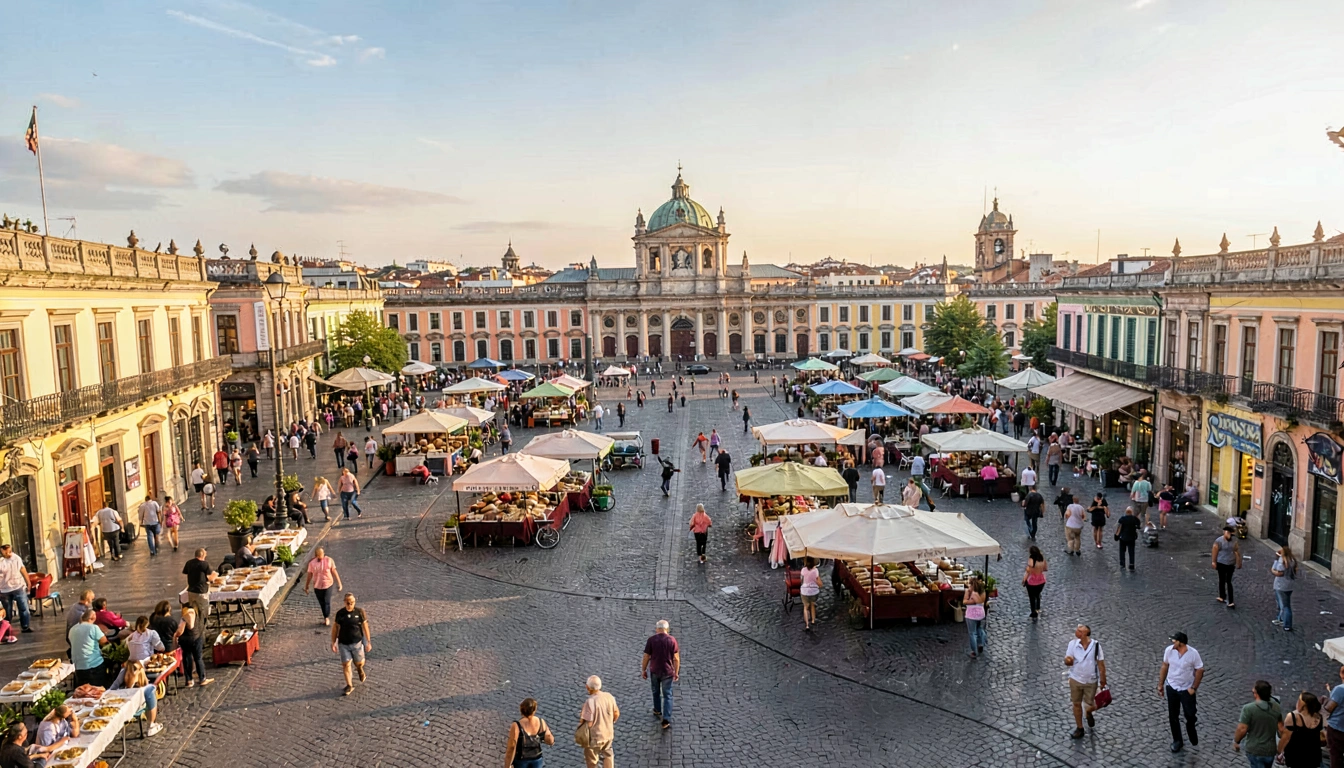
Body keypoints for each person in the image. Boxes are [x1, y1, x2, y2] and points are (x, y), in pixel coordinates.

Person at [1159, 630, 1204, 753]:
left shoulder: (1193, 654)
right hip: (1172, 686)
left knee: (1190, 714)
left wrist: (1194, 688)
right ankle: (1177, 740)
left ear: (1181, 643)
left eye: (1174, 640)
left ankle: (1191, 728)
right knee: (1173, 715)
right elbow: (1165, 666)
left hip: (1187, 689)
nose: (1172, 642)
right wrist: (1161, 684)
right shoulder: (1169, 651)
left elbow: (1199, 670)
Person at [1064, 624, 1107, 738]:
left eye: (1080, 631)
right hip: (1075, 679)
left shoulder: (1096, 646)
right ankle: (1080, 728)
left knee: (1090, 704)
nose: (1077, 632)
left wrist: (1103, 679)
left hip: (1090, 680)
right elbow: (1068, 660)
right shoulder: (1072, 644)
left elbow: (1101, 663)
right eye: (1077, 630)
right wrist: (1068, 660)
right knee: (1076, 703)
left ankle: (1088, 713)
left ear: (1085, 634)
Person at [1234, 680, 1283, 767]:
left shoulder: (1248, 709)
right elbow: (1281, 730)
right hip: (1270, 750)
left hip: (1255, 750)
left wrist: (1236, 741)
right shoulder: (1276, 706)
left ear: (1256, 693)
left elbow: (1242, 729)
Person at [641, 620, 679, 729]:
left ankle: (657, 710)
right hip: (667, 671)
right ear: (667, 629)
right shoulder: (672, 640)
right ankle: (666, 718)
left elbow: (646, 657)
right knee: (668, 695)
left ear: (657, 629)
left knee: (655, 691)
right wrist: (676, 672)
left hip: (655, 670)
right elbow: (676, 659)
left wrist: (643, 670)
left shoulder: (651, 640)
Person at [332, 593, 371, 696]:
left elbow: (365, 626)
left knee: (359, 662)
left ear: (355, 602)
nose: (350, 605)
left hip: (357, 643)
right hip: (343, 643)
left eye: (352, 602)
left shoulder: (360, 612)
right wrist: (333, 642)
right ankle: (349, 685)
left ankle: (359, 668)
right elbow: (335, 628)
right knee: (346, 664)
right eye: (348, 603)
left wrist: (368, 641)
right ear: (344, 602)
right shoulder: (340, 614)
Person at [578, 675, 619, 768]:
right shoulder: (609, 697)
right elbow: (616, 713)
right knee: (608, 755)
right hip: (608, 734)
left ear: (588, 688)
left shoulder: (589, 702)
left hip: (594, 738)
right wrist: (610, 722)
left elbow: (585, 721)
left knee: (592, 760)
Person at [115, 660, 163, 736]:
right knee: (151, 692)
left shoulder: (123, 676)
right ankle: (151, 725)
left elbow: (113, 687)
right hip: (135, 709)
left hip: (121, 708)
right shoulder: (144, 688)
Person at [503, 697, 554, 768]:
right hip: (537, 759)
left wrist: (508, 765)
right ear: (534, 710)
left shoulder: (517, 726)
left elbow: (512, 746)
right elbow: (550, 740)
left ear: (521, 710)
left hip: (521, 760)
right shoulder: (541, 722)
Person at [1278, 691, 1323, 768]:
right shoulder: (1318, 717)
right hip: (1313, 754)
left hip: (1296, 755)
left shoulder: (1292, 717)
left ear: (1304, 705)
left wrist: (1279, 751)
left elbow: (1286, 737)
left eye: (1299, 700)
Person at [69, 609, 110, 687]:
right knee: (97, 691)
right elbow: (104, 642)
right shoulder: (93, 628)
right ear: (93, 618)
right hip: (93, 665)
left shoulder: (72, 629)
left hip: (78, 667)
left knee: (84, 693)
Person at [304, 546, 344, 626]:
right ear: (316, 555)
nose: (321, 555)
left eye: (322, 553)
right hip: (317, 585)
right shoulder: (312, 563)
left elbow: (334, 571)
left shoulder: (329, 560)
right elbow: (309, 575)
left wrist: (339, 583)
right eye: (319, 554)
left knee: (326, 601)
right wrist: (307, 586)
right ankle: (325, 616)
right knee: (321, 602)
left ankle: (326, 617)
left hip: (328, 584)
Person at [178, 604, 212, 687]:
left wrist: (176, 636)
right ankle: (202, 678)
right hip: (196, 638)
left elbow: (180, 630)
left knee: (187, 658)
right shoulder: (197, 613)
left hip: (185, 640)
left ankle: (189, 680)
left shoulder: (184, 617)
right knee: (198, 658)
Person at [0, 545, 31, 635]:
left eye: (9, 551)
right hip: (4, 589)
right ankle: (5, 628)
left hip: (18, 587)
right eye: (5, 552)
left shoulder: (16, 558)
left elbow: (22, 569)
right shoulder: (1, 562)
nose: (8, 553)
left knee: (24, 608)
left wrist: (28, 582)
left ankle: (25, 626)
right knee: (7, 611)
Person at [1212, 525, 1243, 608]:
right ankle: (1222, 596)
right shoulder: (1219, 541)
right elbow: (1215, 551)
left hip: (1230, 564)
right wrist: (1214, 562)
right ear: (1224, 532)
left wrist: (1238, 562)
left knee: (1228, 581)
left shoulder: (1234, 540)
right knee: (1221, 580)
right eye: (1228, 532)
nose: (1229, 534)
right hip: (1221, 563)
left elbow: (1236, 551)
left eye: (1230, 532)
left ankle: (1231, 601)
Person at [182, 548, 214, 624]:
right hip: (201, 591)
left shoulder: (189, 563)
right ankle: (203, 624)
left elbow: (186, 572)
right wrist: (214, 575)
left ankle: (194, 623)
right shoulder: (204, 564)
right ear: (202, 555)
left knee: (193, 609)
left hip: (191, 591)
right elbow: (210, 577)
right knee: (203, 609)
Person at [964, 577, 988, 659]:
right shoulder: (982, 592)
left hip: (971, 615)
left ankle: (974, 652)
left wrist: (971, 601)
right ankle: (981, 643)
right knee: (980, 628)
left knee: (972, 633)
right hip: (980, 614)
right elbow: (981, 602)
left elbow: (965, 602)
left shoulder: (969, 592)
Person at [1024, 546, 1048, 620]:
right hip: (1041, 580)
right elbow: (1045, 568)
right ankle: (1038, 608)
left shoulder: (1031, 559)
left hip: (1032, 581)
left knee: (1031, 597)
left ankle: (1033, 611)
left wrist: (1024, 580)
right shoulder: (1042, 559)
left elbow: (1028, 571)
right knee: (1037, 594)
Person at [799, 557, 823, 631]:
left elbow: (801, 580)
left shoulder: (803, 570)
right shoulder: (815, 571)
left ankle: (807, 625)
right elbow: (819, 581)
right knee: (813, 604)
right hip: (814, 591)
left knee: (805, 607)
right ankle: (813, 620)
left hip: (805, 591)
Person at [1115, 506, 1142, 570]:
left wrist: (1116, 535)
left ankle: (1122, 563)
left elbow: (1119, 528)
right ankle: (1131, 564)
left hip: (1123, 537)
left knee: (1122, 551)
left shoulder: (1122, 519)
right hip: (1131, 537)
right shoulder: (1134, 519)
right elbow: (1139, 526)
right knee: (1131, 551)